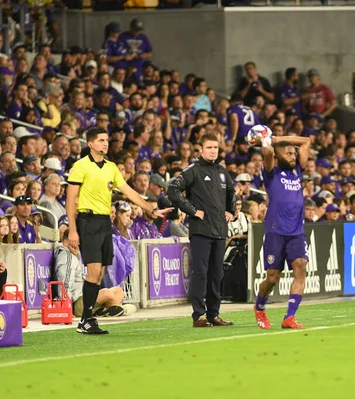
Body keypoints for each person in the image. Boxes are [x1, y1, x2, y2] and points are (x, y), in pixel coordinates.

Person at [66, 127, 171, 335]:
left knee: (101, 272)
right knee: (94, 271)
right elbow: (70, 200)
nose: (105, 143)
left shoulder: (111, 167)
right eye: (101, 140)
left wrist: (151, 208)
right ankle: (86, 320)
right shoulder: (80, 166)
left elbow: (129, 191)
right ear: (91, 144)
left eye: (106, 140)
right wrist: (72, 230)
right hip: (88, 220)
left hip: (105, 220)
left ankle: (88, 318)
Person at [167, 133, 236, 328]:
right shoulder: (193, 170)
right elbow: (172, 189)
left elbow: (232, 193)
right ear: (201, 149)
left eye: (215, 147)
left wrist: (230, 211)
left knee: (217, 274)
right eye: (209, 147)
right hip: (201, 231)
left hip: (220, 230)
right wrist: (192, 211)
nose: (213, 150)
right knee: (200, 273)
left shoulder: (223, 172)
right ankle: (199, 316)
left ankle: (214, 314)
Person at [251, 134, 311, 330]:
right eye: (288, 154)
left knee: (300, 266)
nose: (293, 157)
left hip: (296, 232)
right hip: (275, 232)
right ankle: (260, 307)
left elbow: (307, 141)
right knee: (272, 278)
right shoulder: (272, 173)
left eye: (294, 153)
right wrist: (268, 141)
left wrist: (277, 137)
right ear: (278, 156)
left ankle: (289, 317)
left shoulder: (298, 171)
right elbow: (267, 152)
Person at [55, 229, 135, 319]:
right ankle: (106, 310)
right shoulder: (67, 257)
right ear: (65, 242)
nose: (78, 244)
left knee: (118, 291)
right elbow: (64, 283)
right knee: (106, 293)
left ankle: (100, 311)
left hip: (83, 298)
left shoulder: (74, 256)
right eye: (75, 241)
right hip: (77, 303)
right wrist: (66, 309)